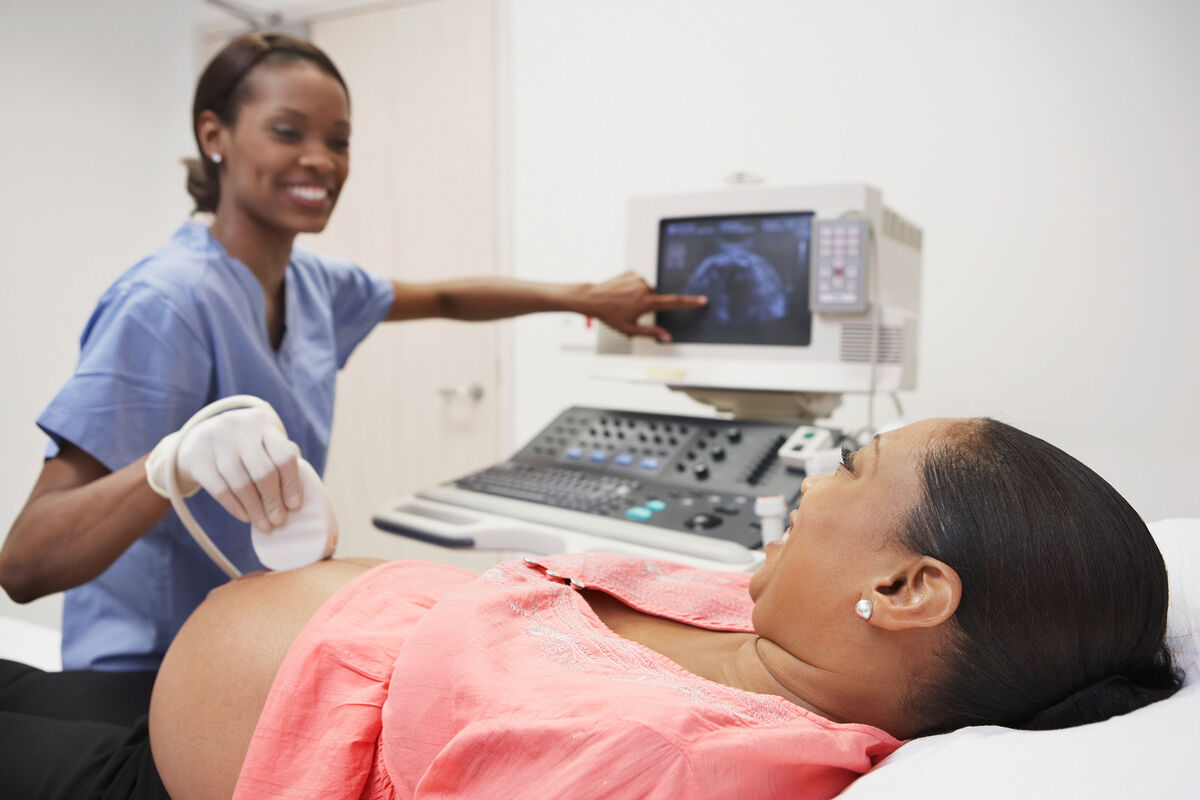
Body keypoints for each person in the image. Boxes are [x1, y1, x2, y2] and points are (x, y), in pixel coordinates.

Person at [0, 417, 1183, 799]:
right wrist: (318, 561)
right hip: (230, 668)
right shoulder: (778, 624)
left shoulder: (671, 765)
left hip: (164, 770)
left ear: (907, 586)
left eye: (849, 467)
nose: (809, 482)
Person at [0, 32, 705, 674]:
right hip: (149, 677)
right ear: (214, 135)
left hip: (251, 650)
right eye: (287, 132)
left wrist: (585, 298)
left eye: (338, 140)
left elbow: (447, 299)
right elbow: (25, 562)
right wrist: (170, 464)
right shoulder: (166, 304)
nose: (321, 160)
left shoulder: (312, 285)